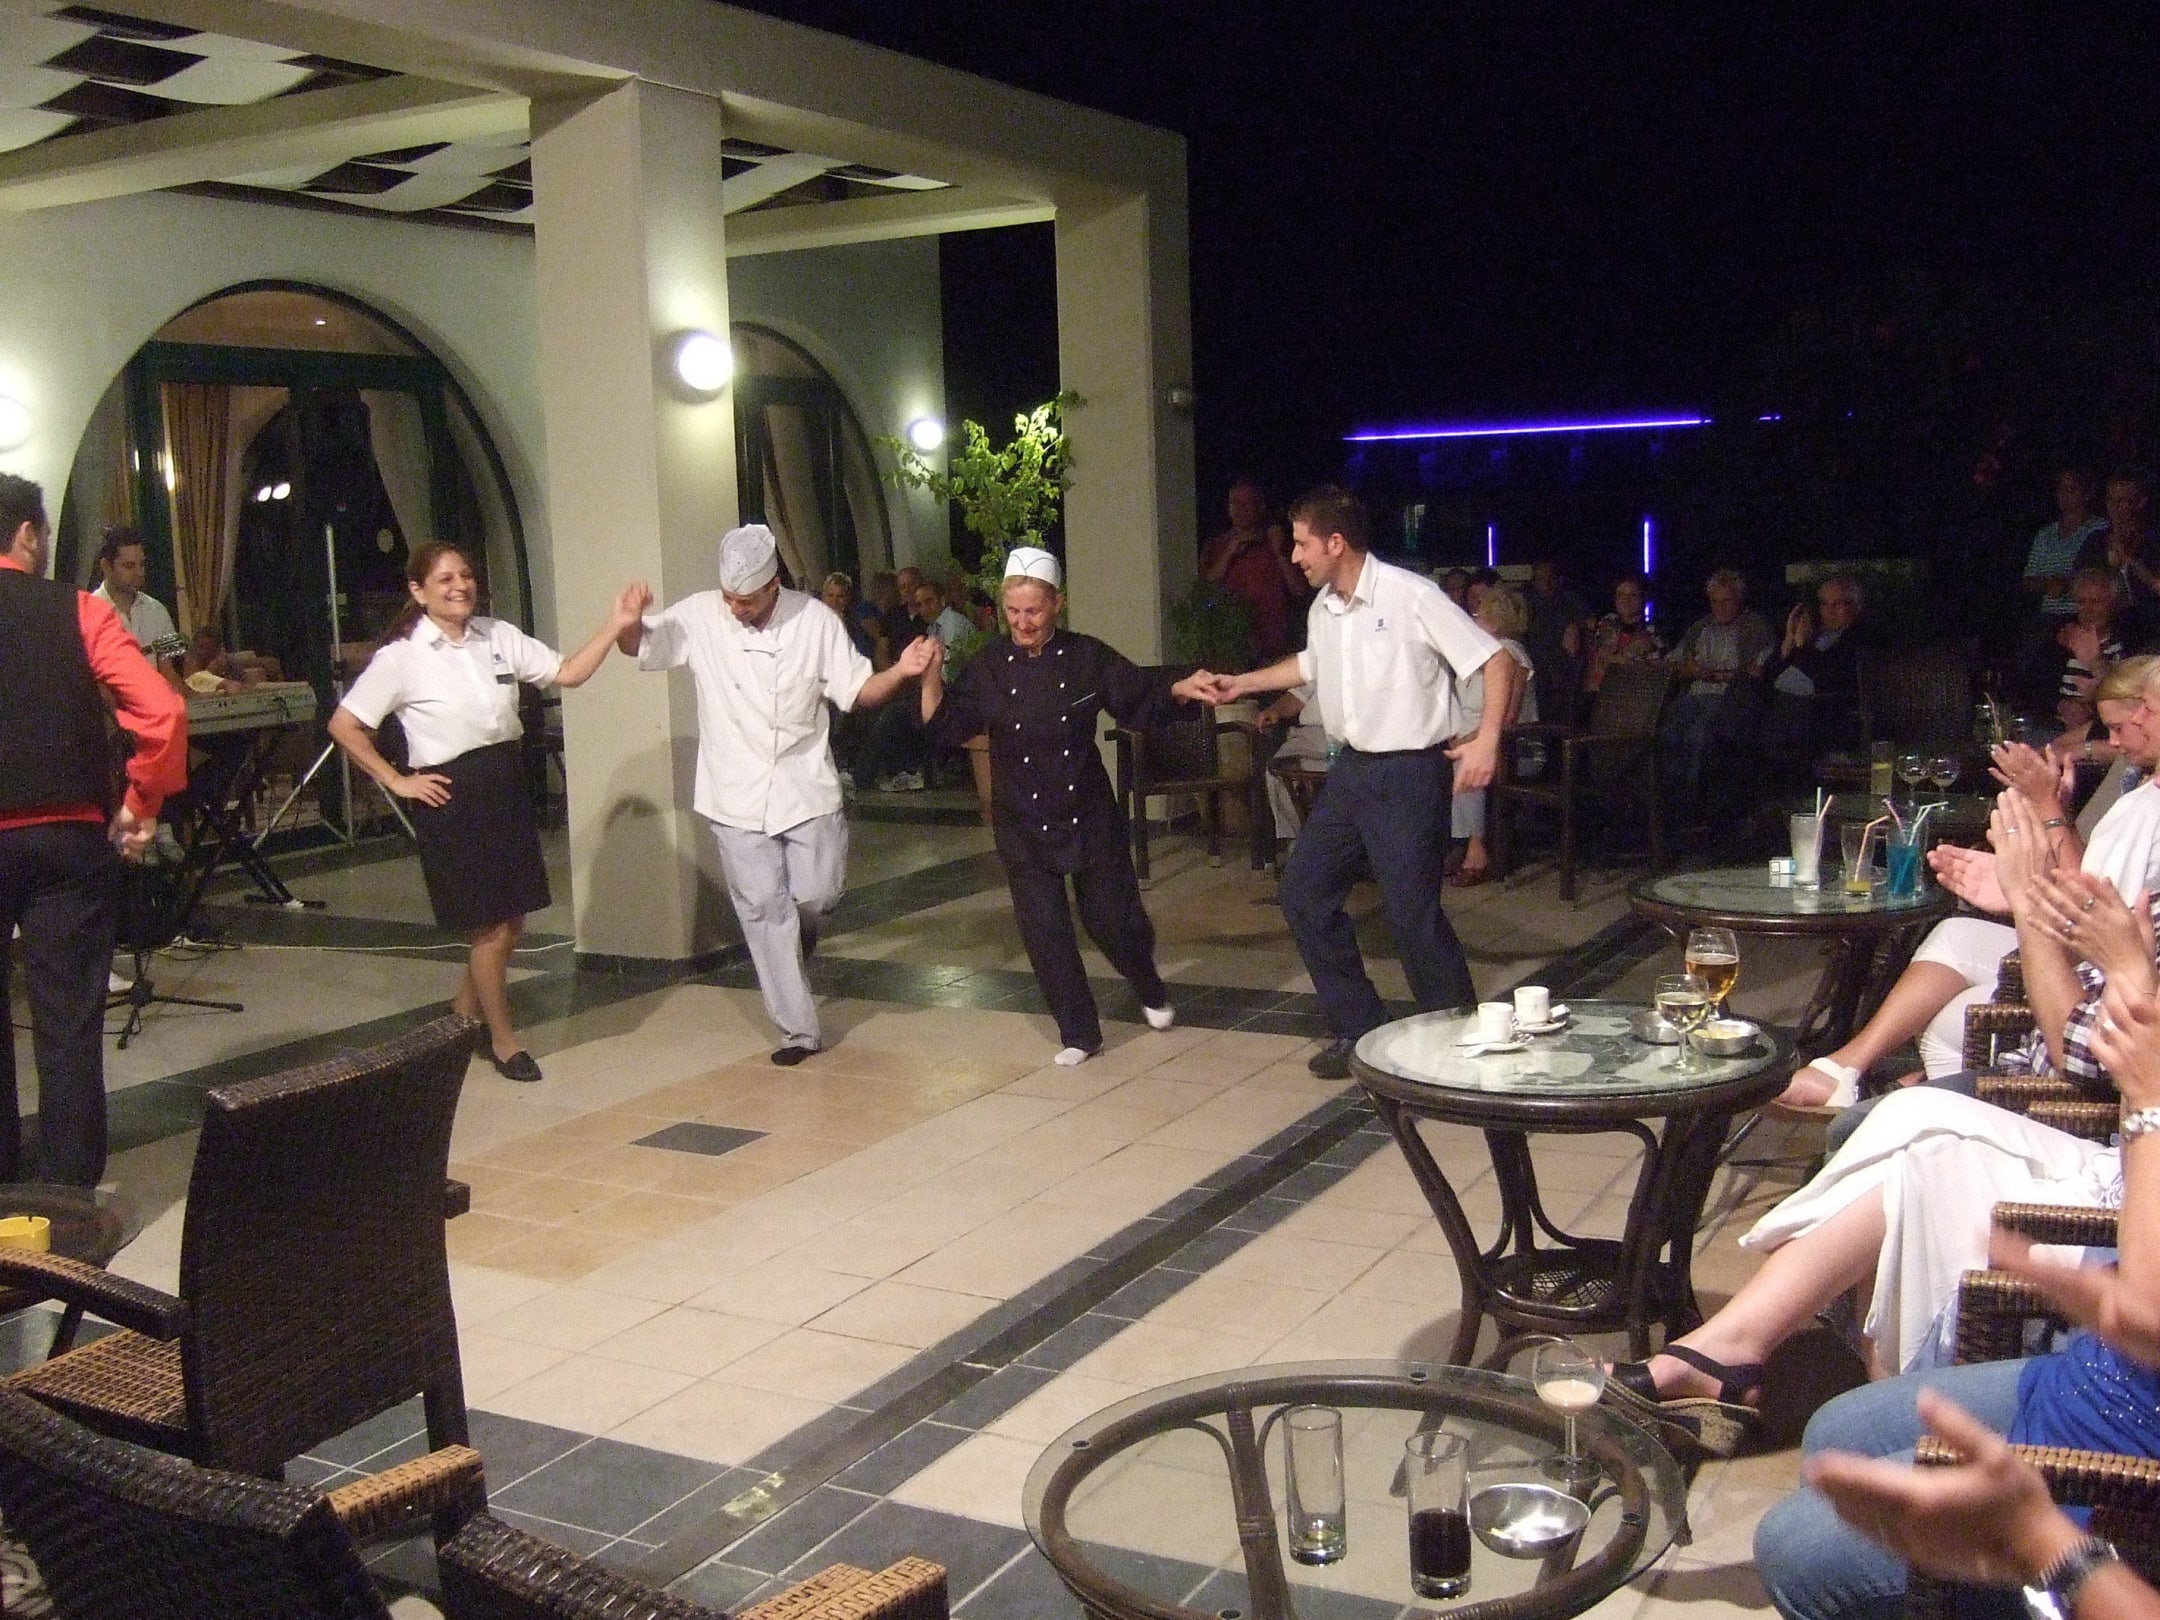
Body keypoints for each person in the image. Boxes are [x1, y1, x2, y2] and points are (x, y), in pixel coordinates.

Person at [1610, 786, 2151, 1453]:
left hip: (2120, 1169)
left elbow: (2091, 1056)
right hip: (2105, 1132)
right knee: (1913, 1132)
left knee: (1909, 1127)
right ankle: (1749, 1355)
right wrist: (2044, 903)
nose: (2119, 734)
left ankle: (1762, 1363)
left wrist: (2042, 913)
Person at [1752, 965, 2160, 1620]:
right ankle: (1730, 1349)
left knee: (1792, 1545)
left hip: (2125, 1482)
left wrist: (2045, 1544)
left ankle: (1723, 1354)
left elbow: (2146, 1300)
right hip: (2102, 1377)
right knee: (1836, 1431)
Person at [1198, 485, 1516, 1080]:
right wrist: (1243, 683)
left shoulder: (1409, 595)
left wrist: (1488, 740)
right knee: (1303, 893)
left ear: (1336, 543)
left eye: (1302, 544)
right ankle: (1360, 1028)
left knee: (1412, 915)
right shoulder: (1325, 607)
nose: (1294, 556)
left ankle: (1457, 1044)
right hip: (1352, 771)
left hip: (1410, 772)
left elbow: (1495, 660)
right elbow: (1310, 665)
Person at [621, 524, 937, 1064]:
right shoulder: (700, 614)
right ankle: (798, 1031)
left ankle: (800, 933)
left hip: (804, 787)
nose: (735, 608)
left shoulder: (815, 621)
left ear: (773, 587)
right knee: (764, 913)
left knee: (817, 895)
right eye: (729, 597)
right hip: (733, 793)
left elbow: (858, 691)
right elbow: (641, 645)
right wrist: (627, 623)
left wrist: (902, 672)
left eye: (745, 600)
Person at [1781, 662, 2160, 1109]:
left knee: (1950, 1018)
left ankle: (1907, 1095)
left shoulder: (2147, 808)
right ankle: (1859, 1075)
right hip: (2086, 965)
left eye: (2143, 713)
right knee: (1953, 937)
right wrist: (2029, 869)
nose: (2116, 738)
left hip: (2093, 987)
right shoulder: (2138, 787)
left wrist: (2042, 834)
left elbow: (2095, 906)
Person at [330, 544, 640, 1083]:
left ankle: (461, 1018)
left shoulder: (497, 635)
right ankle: (503, 1040)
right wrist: (398, 781)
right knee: (489, 928)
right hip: (452, 794)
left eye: (466, 575)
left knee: (511, 922)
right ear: (418, 591)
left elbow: (568, 673)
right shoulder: (401, 657)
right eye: (445, 578)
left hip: (503, 782)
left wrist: (616, 625)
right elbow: (345, 725)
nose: (460, 586)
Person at [920, 548, 1216, 1065]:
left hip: (1087, 811)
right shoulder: (989, 666)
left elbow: (1138, 693)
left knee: (1112, 920)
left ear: (1058, 604)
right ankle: (1079, 1033)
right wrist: (929, 677)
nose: (1023, 622)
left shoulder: (1086, 657)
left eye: (1033, 611)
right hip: (1020, 816)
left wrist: (1178, 688)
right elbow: (947, 724)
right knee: (1044, 931)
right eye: (1013, 611)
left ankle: (1147, 983)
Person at [0, 475, 184, 1186]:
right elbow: (163, 712)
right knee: (69, 1018)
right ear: (27, 534)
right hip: (69, 838)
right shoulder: (79, 609)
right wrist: (141, 801)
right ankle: (69, 1191)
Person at [1659, 566, 1775, 820]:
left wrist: (1716, 675)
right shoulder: (1700, 628)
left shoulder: (1755, 628)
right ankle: (1668, 803)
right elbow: (1673, 664)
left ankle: (1692, 806)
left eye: (1727, 601)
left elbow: (1758, 671)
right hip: (1693, 697)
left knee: (1699, 735)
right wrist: (1690, 670)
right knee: (1668, 731)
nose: (1720, 608)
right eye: (1714, 601)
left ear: (1740, 600)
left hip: (1729, 700)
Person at [1448, 583, 1537, 887]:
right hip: (1467, 738)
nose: (1473, 619)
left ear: (1496, 621)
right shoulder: (1480, 655)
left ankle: (1476, 849)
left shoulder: (1510, 655)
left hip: (1515, 748)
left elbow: (1507, 717)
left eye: (1479, 615)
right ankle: (1455, 842)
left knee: (1468, 761)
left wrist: (1466, 741)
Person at [1760, 573, 1869, 762]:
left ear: (1855, 606)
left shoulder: (1856, 638)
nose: (1829, 611)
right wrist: (1789, 640)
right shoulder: (1816, 634)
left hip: (1819, 709)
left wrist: (1802, 646)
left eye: (1837, 604)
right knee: (1744, 689)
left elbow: (1829, 677)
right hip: (1782, 701)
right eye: (1824, 604)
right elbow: (1769, 673)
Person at [1201, 479, 1303, 663]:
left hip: (1273, 642)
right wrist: (1229, 552)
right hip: (1230, 644)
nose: (1241, 510)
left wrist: (1279, 552)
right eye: (1235, 503)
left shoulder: (1278, 543)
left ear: (1260, 506)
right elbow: (1205, 589)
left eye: (1247, 503)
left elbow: (1299, 590)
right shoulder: (1216, 545)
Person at [91, 525, 182, 680]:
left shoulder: (157, 610)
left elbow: (168, 672)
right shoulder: (89, 614)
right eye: (129, 566)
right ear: (106, 566)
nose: (139, 573)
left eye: (142, 564)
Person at [2023, 466, 2106, 621]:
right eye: (2061, 489)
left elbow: (2105, 573)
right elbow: (2028, 579)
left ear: (2086, 493)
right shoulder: (2045, 534)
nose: (2065, 494)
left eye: (2071, 489)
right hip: (2049, 615)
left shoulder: (2100, 528)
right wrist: (2048, 584)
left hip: (2084, 615)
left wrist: (2069, 584)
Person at [1522, 558, 1589, 724]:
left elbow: (1588, 622)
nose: (1546, 583)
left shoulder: (1569, 601)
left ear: (1558, 579)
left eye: (1550, 578)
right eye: (1540, 579)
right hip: (1533, 667)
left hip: (1563, 668)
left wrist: (1576, 626)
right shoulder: (1526, 603)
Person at [1583, 573, 1664, 695]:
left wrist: (1629, 663)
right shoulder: (1605, 623)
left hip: (1628, 697)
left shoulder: (1652, 635)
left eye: (1633, 595)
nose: (1626, 600)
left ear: (1643, 598)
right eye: (1621, 595)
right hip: (1593, 695)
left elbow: (1657, 672)